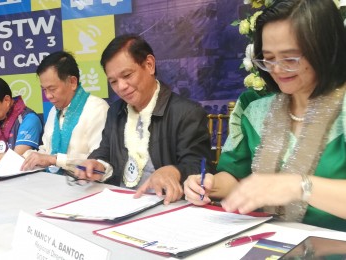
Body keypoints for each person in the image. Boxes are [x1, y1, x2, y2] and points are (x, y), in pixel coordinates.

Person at [184, 0, 346, 231]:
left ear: (326, 49)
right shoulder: (255, 110)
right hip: (268, 243)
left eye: (290, 58)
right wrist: (210, 185)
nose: (277, 69)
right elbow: (236, 177)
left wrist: (298, 186)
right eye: (268, 58)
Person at [76, 34, 213, 205]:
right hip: (121, 202)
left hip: (164, 205)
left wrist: (174, 171)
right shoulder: (115, 111)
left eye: (127, 75)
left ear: (149, 64)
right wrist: (98, 163)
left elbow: (200, 167)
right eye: (113, 82)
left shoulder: (186, 112)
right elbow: (105, 149)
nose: (121, 87)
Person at [20, 51, 109, 172]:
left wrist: (55, 160)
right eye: (44, 90)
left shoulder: (97, 109)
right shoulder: (53, 111)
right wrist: (31, 156)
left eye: (52, 89)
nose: (48, 96)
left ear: (72, 82)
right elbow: (47, 151)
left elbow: (99, 162)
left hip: (85, 186)